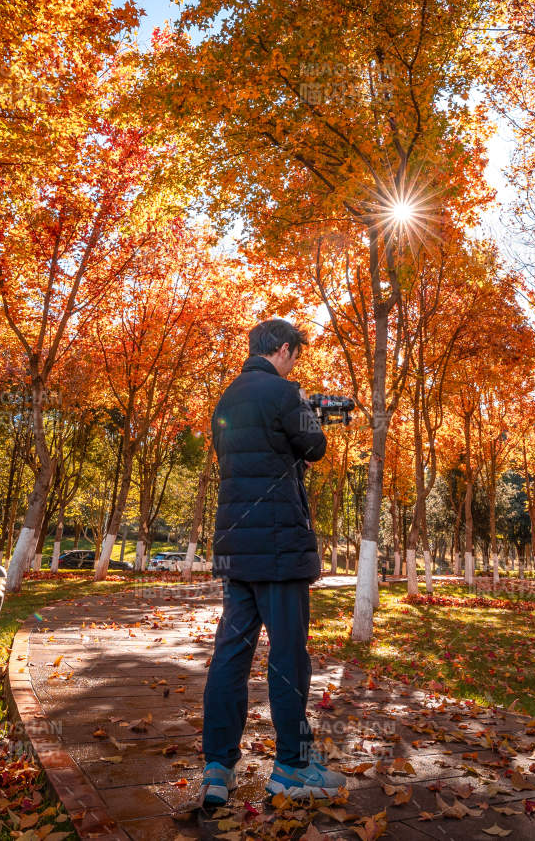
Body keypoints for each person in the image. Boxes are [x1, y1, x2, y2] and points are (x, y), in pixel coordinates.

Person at [200, 318, 347, 808]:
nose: (294, 364)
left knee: (231, 656)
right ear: (284, 350)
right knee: (288, 658)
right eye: (295, 356)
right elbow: (316, 448)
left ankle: (216, 766)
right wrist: (310, 414)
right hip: (280, 550)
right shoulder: (287, 395)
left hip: (236, 547)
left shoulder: (227, 398)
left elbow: (245, 460)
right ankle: (292, 765)